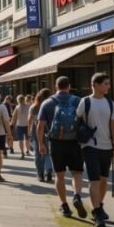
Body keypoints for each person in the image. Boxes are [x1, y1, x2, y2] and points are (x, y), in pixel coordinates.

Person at [77, 73, 114, 227]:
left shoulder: (111, 104)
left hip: (107, 147)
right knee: (94, 180)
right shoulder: (85, 101)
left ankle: (100, 205)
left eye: (109, 83)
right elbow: (77, 121)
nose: (108, 86)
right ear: (95, 84)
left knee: (104, 179)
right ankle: (96, 213)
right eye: (105, 83)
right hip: (90, 146)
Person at [38, 76, 86, 218]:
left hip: (56, 142)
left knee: (59, 175)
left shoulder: (47, 103)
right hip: (74, 142)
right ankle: (77, 196)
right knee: (77, 173)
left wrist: (41, 144)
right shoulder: (78, 101)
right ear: (69, 86)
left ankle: (64, 205)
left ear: (56, 86)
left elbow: (40, 126)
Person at [28, 88, 53, 182]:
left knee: (38, 153)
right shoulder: (50, 105)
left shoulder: (34, 107)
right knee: (47, 152)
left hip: (36, 130)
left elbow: (29, 120)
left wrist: (29, 131)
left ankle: (40, 174)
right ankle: (49, 170)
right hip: (48, 130)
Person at [11, 95, 31, 159]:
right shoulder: (29, 106)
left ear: (18, 100)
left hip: (19, 125)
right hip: (27, 125)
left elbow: (14, 117)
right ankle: (27, 151)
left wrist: (11, 124)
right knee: (27, 139)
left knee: (20, 140)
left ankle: (22, 152)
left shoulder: (17, 107)